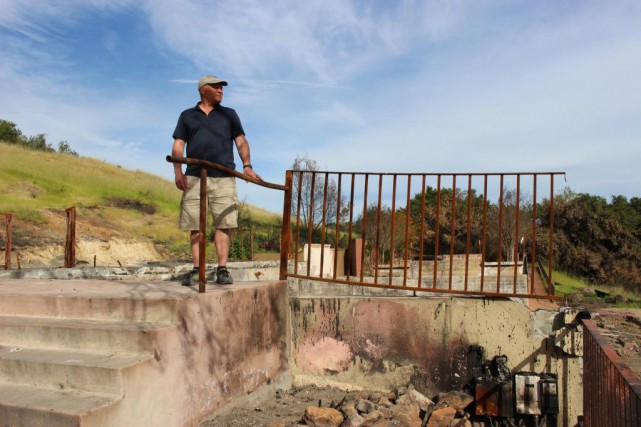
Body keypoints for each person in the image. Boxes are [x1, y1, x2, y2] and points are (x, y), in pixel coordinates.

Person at [172, 75, 262, 286]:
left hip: (224, 177)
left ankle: (222, 269)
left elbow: (241, 141)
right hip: (194, 177)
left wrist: (247, 166)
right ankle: (197, 270)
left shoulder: (229, 115)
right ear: (203, 89)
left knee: (224, 223)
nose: (221, 90)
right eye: (216, 87)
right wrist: (178, 171)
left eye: (222, 88)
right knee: (195, 224)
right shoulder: (187, 116)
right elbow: (179, 144)